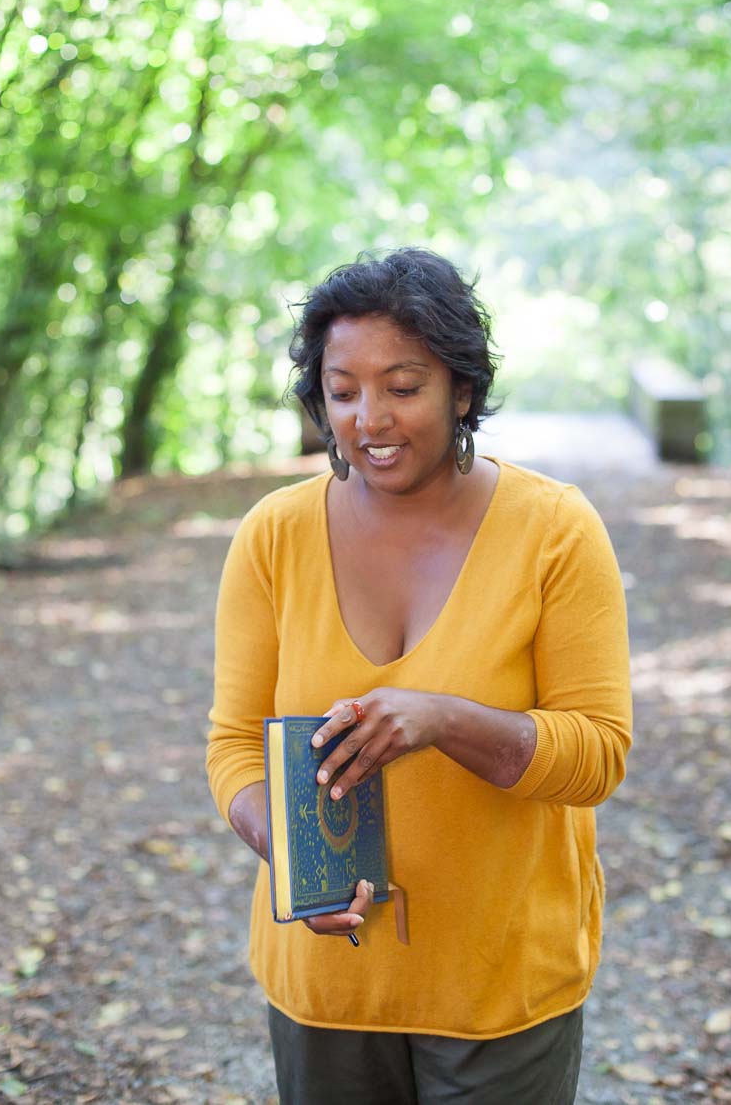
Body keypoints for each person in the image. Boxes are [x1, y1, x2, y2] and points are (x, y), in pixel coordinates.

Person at [206, 247, 632, 1105]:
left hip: (501, 981)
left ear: (461, 390)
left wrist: (445, 719)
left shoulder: (555, 530)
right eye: (344, 389)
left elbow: (597, 757)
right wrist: (296, 863)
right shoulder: (273, 535)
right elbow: (233, 750)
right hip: (328, 978)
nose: (372, 418)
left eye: (404, 387)